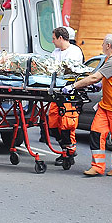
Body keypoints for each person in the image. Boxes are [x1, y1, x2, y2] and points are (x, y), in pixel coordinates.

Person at [64, 34, 112, 177]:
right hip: (107, 106)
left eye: (103, 43)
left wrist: (74, 86)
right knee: (96, 133)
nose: (102, 46)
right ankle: (97, 166)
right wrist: (98, 85)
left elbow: (95, 76)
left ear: (108, 45)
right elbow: (104, 78)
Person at [45, 27, 84, 160]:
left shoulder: (74, 51)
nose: (53, 41)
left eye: (54, 38)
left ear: (60, 38)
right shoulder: (55, 52)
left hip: (69, 93)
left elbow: (67, 70)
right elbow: (50, 67)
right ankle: (65, 148)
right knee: (53, 123)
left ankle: (69, 152)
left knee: (67, 124)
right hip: (57, 92)